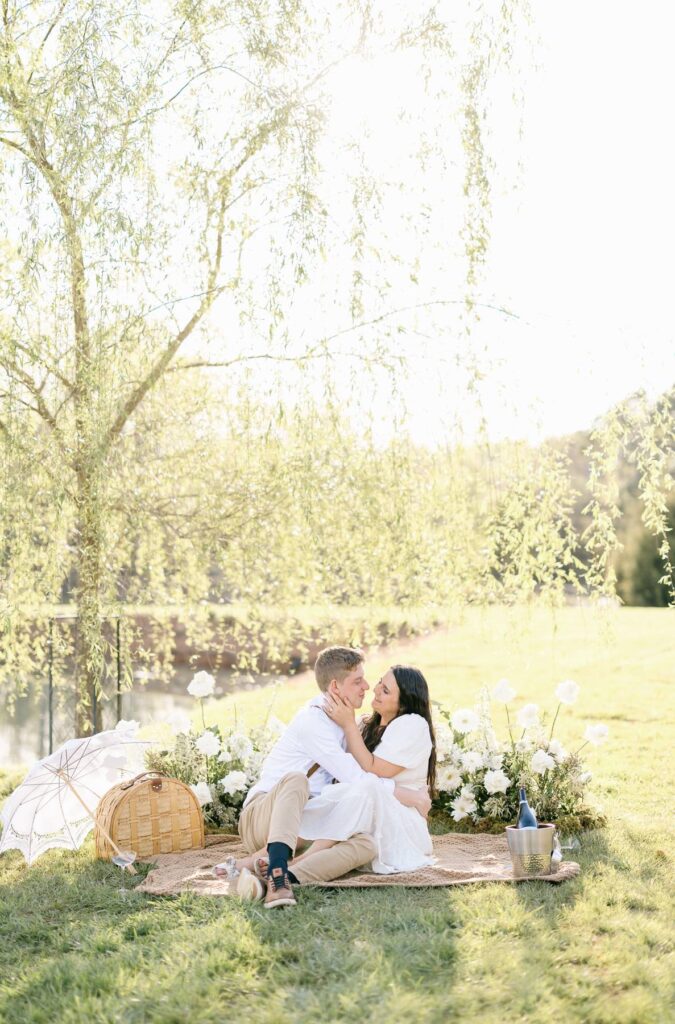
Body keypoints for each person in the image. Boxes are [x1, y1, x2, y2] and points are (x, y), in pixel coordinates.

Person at [215, 646, 430, 909]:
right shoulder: (313, 722)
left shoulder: (347, 722)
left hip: (308, 822)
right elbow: (356, 778)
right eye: (357, 681)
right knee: (296, 780)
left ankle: (284, 877)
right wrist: (409, 796)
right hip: (264, 817)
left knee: (367, 845)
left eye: (366, 678)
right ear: (335, 687)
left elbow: (363, 775)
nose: (367, 686)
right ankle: (277, 874)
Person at [292, 664, 436, 874]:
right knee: (341, 794)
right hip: (366, 817)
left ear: (404, 704)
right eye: (380, 682)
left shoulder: (412, 724)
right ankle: (276, 852)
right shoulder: (367, 724)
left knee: (366, 785)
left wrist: (348, 725)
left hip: (402, 826)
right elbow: (348, 774)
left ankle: (303, 858)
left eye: (386, 690)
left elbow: (375, 770)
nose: (375, 689)